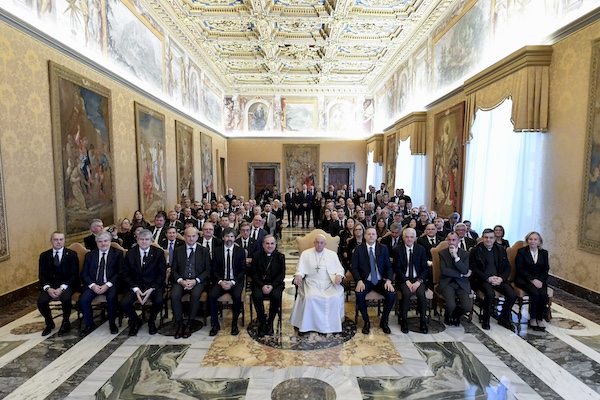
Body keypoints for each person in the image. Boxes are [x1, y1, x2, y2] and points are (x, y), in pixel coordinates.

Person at [290, 234, 345, 334]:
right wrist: (298, 276)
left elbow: (339, 270)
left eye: (321, 243)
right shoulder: (306, 254)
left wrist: (339, 275)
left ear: (325, 244)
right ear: (314, 243)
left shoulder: (332, 254)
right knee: (309, 297)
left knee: (335, 297)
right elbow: (300, 269)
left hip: (329, 283)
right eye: (317, 242)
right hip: (311, 282)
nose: (319, 245)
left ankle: (332, 325)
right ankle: (307, 326)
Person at [121, 229, 167, 336]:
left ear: (151, 241)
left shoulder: (158, 253)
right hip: (136, 285)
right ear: (137, 240)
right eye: (141, 239)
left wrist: (151, 289)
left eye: (147, 239)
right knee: (124, 303)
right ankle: (136, 320)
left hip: (153, 285)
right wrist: (135, 289)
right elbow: (125, 274)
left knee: (159, 301)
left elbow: (162, 274)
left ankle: (151, 321)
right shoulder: (130, 253)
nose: (144, 242)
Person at [470, 228, 517, 331]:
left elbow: (507, 267)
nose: (488, 240)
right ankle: (486, 319)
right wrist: (487, 278)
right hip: (482, 279)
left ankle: (504, 318)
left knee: (512, 295)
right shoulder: (476, 250)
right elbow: (474, 269)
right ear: (482, 238)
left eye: (491, 238)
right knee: (490, 294)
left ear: (495, 238)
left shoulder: (501, 249)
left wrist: (501, 278)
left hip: (498, 278)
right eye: (486, 238)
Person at [352, 227, 395, 334]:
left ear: (376, 236)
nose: (371, 236)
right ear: (365, 236)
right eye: (369, 234)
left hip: (381, 281)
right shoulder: (358, 249)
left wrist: (389, 281)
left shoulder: (383, 248)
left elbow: (389, 267)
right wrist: (359, 281)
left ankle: (384, 321)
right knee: (359, 294)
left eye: (373, 234)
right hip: (365, 281)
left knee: (391, 294)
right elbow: (354, 268)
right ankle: (366, 322)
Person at [80, 231, 123, 336]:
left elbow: (120, 272)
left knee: (112, 297)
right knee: (83, 299)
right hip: (93, 284)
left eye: (105, 241)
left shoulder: (117, 253)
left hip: (110, 284)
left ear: (110, 241)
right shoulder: (90, 255)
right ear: (96, 243)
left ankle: (112, 324)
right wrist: (92, 285)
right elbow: (84, 273)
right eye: (100, 242)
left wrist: (107, 285)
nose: (103, 244)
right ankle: (89, 324)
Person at [171, 227, 211, 339]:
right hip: (181, 280)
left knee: (195, 295)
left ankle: (190, 323)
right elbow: (173, 269)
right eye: (188, 236)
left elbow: (207, 270)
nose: (191, 238)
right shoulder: (178, 250)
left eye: (193, 236)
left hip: (198, 281)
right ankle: (179, 324)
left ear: (198, 237)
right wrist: (181, 281)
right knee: (174, 295)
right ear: (184, 237)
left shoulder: (204, 251)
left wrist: (195, 281)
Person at [38, 232, 80, 336]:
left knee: (66, 299)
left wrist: (62, 288)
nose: (59, 242)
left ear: (64, 240)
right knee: (41, 301)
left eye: (61, 239)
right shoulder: (44, 255)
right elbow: (42, 275)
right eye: (56, 239)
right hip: (50, 286)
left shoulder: (71, 254)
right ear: (51, 241)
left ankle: (66, 322)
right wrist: (48, 288)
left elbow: (74, 275)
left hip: (67, 285)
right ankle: (49, 322)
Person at [209, 228, 246, 336]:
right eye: (227, 236)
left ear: (234, 238)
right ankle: (215, 324)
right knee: (211, 296)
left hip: (235, 281)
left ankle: (234, 324)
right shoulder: (217, 251)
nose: (229, 239)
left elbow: (243, 270)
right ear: (223, 238)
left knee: (237, 296)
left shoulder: (240, 251)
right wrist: (220, 281)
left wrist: (232, 282)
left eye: (231, 236)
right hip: (221, 281)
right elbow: (214, 270)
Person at [393, 227, 429, 334]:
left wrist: (419, 281)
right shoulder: (397, 250)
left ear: (415, 238)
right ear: (403, 238)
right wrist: (406, 281)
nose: (409, 239)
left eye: (411, 237)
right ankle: (404, 320)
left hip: (418, 279)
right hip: (404, 279)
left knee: (421, 294)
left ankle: (423, 321)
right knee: (406, 293)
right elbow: (397, 268)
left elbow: (425, 269)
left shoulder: (421, 250)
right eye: (407, 237)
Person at [514, 231, 550, 331]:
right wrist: (532, 280)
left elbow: (545, 269)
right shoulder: (521, 251)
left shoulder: (544, 253)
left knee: (543, 294)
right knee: (535, 293)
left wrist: (540, 281)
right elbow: (520, 268)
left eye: (535, 239)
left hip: (540, 280)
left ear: (539, 241)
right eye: (530, 239)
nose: (533, 241)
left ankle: (540, 318)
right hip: (524, 280)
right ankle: (533, 318)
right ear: (527, 240)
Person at [251, 235, 285, 336]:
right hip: (259, 283)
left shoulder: (280, 257)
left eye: (272, 243)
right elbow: (254, 273)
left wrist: (272, 286)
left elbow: (281, 274)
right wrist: (262, 285)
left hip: (275, 284)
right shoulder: (256, 256)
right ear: (263, 245)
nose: (269, 246)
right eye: (267, 243)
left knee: (275, 296)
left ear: (275, 245)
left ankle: (270, 322)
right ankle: (262, 321)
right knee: (256, 296)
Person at [437, 232, 472, 326]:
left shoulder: (465, 254)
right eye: (449, 240)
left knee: (467, 307)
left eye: (454, 240)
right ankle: (448, 314)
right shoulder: (442, 253)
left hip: (461, 283)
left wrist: (456, 258)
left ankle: (456, 315)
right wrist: (460, 275)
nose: (451, 242)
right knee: (451, 305)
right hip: (447, 282)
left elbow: (465, 270)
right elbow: (444, 271)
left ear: (458, 241)